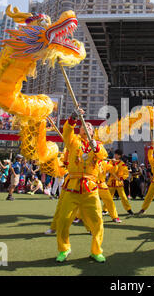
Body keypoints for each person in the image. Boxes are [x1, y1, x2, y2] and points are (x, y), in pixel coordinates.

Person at [55, 110, 108, 263]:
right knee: (63, 220)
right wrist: (73, 117)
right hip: (72, 187)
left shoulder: (97, 145)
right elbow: (66, 132)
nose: (87, 128)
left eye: (90, 127)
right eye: (84, 126)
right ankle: (64, 249)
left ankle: (96, 251)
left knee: (97, 221)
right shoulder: (73, 141)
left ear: (93, 131)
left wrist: (95, 147)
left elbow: (102, 155)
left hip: (90, 188)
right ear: (80, 129)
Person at [107, 149, 134, 216]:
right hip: (111, 181)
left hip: (119, 182)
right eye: (115, 154)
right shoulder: (110, 162)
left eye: (116, 154)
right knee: (108, 196)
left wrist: (121, 178)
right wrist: (113, 163)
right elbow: (109, 169)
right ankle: (105, 210)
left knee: (123, 196)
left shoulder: (122, 164)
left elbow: (126, 173)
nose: (115, 155)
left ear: (119, 156)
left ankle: (129, 209)